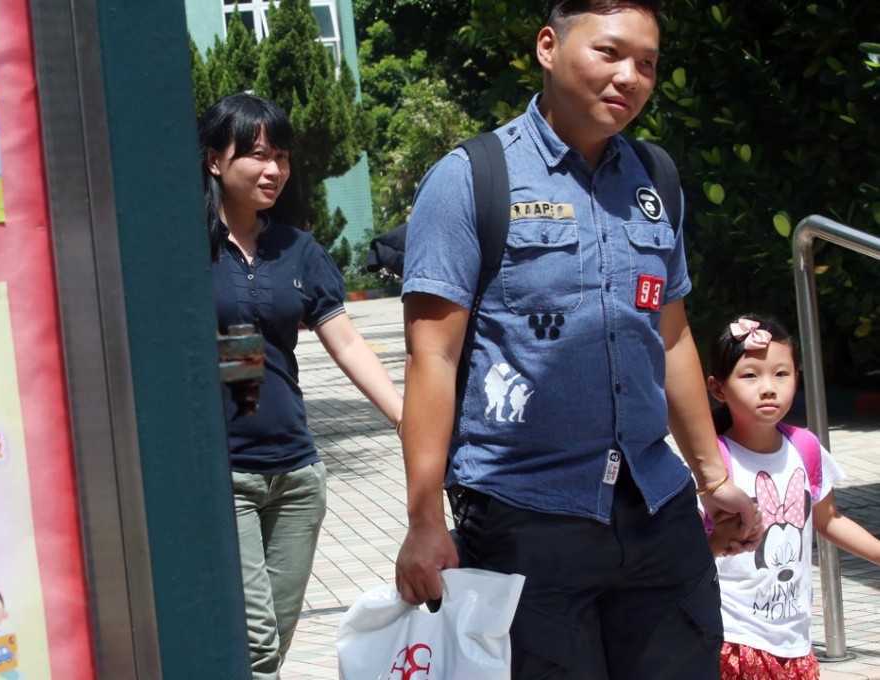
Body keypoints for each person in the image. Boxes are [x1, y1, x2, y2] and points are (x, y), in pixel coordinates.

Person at [395, 1, 761, 678]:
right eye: (610, 53)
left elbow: (672, 337)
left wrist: (713, 477)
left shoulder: (657, 179)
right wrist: (423, 520)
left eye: (647, 65)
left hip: (655, 507)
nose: (630, 77)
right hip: (524, 513)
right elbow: (433, 357)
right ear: (547, 47)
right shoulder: (472, 178)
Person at [197, 92, 403, 679]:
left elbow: (347, 342)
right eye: (257, 155)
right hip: (225, 475)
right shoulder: (189, 248)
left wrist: (404, 417)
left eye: (282, 156)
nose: (273, 170)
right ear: (215, 160)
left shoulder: (297, 249)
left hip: (297, 475)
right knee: (257, 644)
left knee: (272, 645)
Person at [706, 314, 880, 680]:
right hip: (732, 639)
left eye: (781, 374)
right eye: (750, 375)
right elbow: (689, 550)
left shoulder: (806, 447)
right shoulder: (714, 466)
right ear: (718, 388)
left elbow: (829, 519)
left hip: (795, 641)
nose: (768, 387)